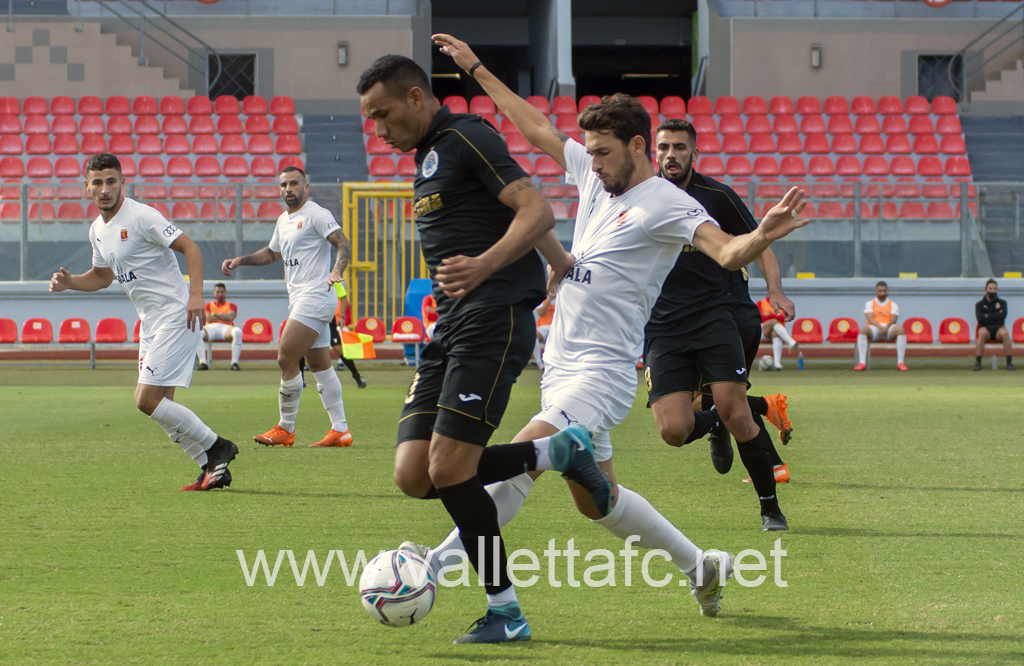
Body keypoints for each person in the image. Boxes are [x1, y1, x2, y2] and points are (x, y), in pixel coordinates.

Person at [409, 33, 807, 640]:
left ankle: (428, 571)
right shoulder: (601, 181)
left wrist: (764, 237)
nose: (589, 164)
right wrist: (476, 69)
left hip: (603, 370)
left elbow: (727, 252)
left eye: (600, 152)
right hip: (561, 364)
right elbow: (538, 129)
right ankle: (699, 565)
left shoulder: (667, 204)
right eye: (589, 152)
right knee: (598, 501)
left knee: (522, 463)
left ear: (637, 147)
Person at [358, 53, 574, 644]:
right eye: (371, 121)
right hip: (449, 328)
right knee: (414, 474)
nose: (380, 130)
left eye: (384, 115)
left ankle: (506, 612)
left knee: (449, 468)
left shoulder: (467, 136)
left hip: (493, 317)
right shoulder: (428, 161)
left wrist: (485, 265)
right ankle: (553, 453)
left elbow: (535, 207)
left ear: (415, 97)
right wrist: (559, 261)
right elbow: (516, 214)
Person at [49, 153, 238, 492]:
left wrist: (196, 294)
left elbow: (191, 248)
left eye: (111, 181)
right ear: (86, 187)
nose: (105, 189)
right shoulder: (97, 231)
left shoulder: (141, 216)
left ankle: (218, 446)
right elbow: (102, 276)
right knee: (160, 406)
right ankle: (210, 467)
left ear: (122, 182)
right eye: (97, 182)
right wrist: (71, 282)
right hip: (151, 323)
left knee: (145, 400)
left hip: (177, 314)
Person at [648, 119, 792, 528]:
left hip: (715, 315)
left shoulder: (717, 196)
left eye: (679, 147)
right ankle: (714, 421)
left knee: (738, 412)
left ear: (695, 154)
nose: (670, 155)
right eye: (663, 148)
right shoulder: (637, 197)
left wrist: (775, 291)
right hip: (662, 326)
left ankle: (770, 507)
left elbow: (759, 240)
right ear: (652, 153)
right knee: (674, 430)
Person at [221, 167, 355, 448]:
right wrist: (239, 260)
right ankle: (340, 430)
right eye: (283, 185)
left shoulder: (317, 214)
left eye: (294, 183)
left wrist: (337, 270)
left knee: (285, 357)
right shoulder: (284, 219)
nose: (288, 189)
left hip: (317, 295)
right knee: (319, 364)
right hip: (300, 298)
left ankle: (285, 428)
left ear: (306, 187)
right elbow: (272, 253)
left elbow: (343, 243)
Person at [854, 281, 907, 371]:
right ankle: (862, 362)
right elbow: (870, 319)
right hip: (874, 328)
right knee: (863, 330)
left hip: (888, 329)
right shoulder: (869, 303)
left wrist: (886, 327)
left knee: (901, 330)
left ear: (887, 291)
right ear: (876, 291)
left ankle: (900, 363)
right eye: (880, 291)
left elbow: (894, 320)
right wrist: (880, 327)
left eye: (884, 291)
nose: (882, 293)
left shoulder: (893, 304)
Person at [195, 282, 243, 371]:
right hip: (210, 328)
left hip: (226, 328)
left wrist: (216, 315)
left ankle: (234, 362)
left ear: (225, 293)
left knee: (237, 332)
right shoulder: (208, 305)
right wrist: (223, 316)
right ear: (214, 293)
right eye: (218, 292)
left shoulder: (231, 305)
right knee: (197, 332)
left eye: (222, 292)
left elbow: (230, 317)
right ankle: (203, 362)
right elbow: (208, 318)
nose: (220, 294)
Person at [328, 281, 367, 387]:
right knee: (302, 347)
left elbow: (343, 297)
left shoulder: (330, 279)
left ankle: (357, 376)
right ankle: (302, 380)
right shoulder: (307, 278)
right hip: (311, 317)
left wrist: (341, 316)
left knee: (338, 348)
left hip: (328, 318)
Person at [974, 278, 1015, 371]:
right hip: (985, 328)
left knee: (1005, 333)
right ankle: (978, 362)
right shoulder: (979, 305)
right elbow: (980, 319)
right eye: (990, 288)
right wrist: (996, 315)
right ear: (986, 290)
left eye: (994, 289)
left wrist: (987, 316)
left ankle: (1009, 362)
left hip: (998, 329)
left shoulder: (1002, 303)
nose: (992, 291)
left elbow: (1003, 316)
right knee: (982, 333)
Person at [758, 296, 799, 370]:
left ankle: (777, 363)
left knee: (775, 332)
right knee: (774, 321)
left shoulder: (781, 305)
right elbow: (760, 317)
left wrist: (770, 315)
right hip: (762, 331)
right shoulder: (760, 303)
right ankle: (790, 341)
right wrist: (774, 317)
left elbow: (784, 318)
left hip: (776, 331)